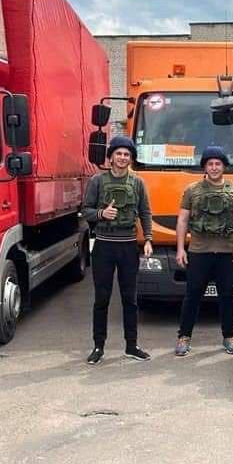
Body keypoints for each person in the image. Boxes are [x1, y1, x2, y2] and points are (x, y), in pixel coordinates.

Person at [81, 135, 153, 365]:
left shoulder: (138, 183)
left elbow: (145, 213)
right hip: (103, 245)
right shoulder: (97, 181)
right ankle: (98, 346)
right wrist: (102, 214)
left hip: (128, 246)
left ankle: (131, 346)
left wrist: (148, 239)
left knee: (129, 298)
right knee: (101, 298)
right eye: (119, 153)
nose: (122, 158)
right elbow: (85, 211)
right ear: (110, 157)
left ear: (131, 159)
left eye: (127, 154)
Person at [174, 145, 233, 357]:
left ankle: (229, 336)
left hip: (227, 252)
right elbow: (183, 220)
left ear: (224, 166)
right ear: (204, 167)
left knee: (227, 296)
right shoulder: (192, 190)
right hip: (199, 251)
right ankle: (184, 337)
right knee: (192, 295)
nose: (214, 167)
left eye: (218, 164)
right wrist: (181, 249)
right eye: (210, 164)